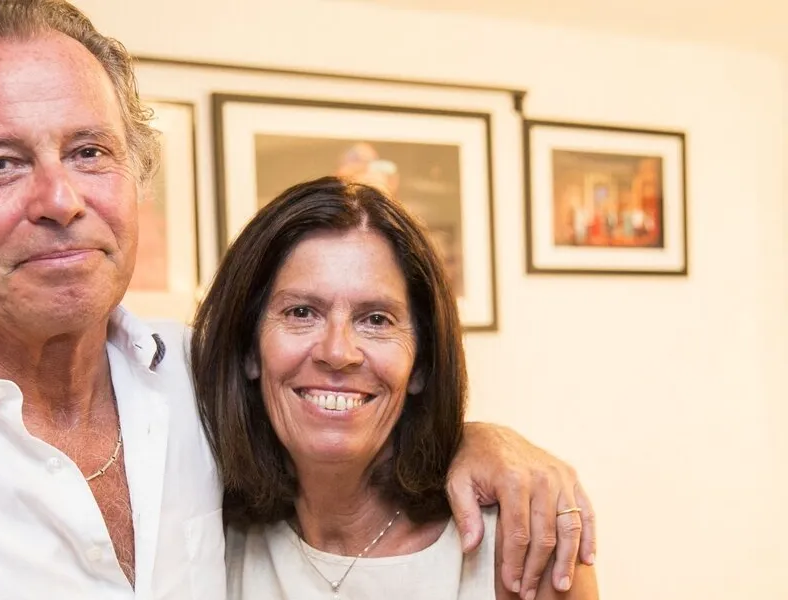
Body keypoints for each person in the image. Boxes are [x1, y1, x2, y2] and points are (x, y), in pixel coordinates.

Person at [0, 2, 594, 599]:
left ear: (134, 173)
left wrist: (487, 443)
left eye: (90, 152)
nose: (60, 199)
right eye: (1, 163)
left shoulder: (204, 384)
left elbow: (347, 410)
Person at [192, 177, 598, 599]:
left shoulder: (519, 541)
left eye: (376, 320)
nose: (338, 351)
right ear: (249, 351)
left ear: (421, 362)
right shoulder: (209, 536)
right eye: (301, 312)